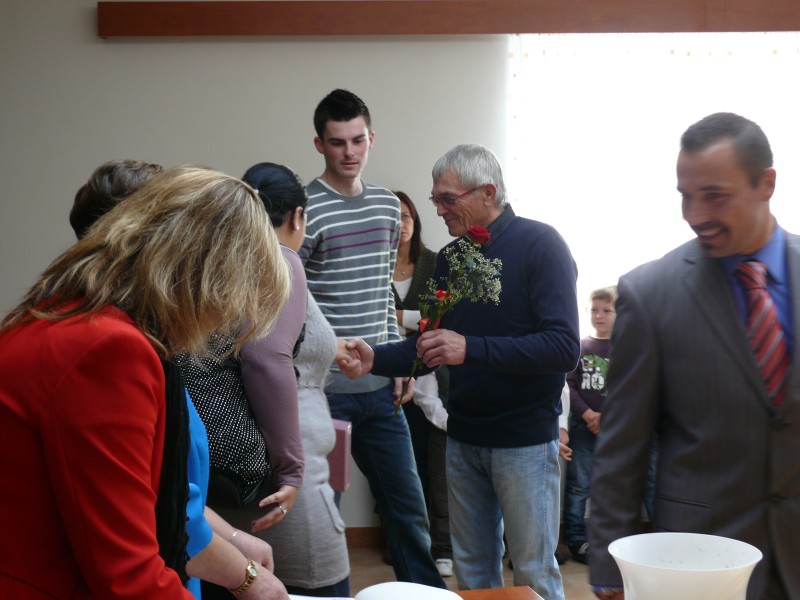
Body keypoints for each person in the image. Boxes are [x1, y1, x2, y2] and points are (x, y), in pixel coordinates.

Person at [0, 166, 290, 599]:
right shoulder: (107, 349)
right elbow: (129, 577)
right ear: (204, 278)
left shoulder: (73, 315)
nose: (222, 322)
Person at [340, 143, 580, 599]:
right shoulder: (451, 259)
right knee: (472, 573)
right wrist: (376, 359)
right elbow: (430, 344)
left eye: (448, 199)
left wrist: (470, 348)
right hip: (463, 438)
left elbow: (563, 348)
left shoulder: (541, 245)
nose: (438, 209)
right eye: (435, 199)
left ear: (488, 192)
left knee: (533, 571)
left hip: (525, 442)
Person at [588, 112, 800, 600]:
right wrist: (610, 570)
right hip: (698, 561)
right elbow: (622, 446)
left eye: (715, 196)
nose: (695, 214)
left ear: (766, 184)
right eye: (686, 195)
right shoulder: (650, 294)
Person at [298, 88, 445, 588]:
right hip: (325, 394)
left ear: (371, 139)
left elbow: (383, 291)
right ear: (320, 144)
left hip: (381, 391)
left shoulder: (386, 205)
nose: (349, 152)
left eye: (357, 140)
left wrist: (397, 362)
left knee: (409, 511)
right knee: (324, 517)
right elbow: (292, 298)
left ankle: (424, 596)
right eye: (337, 142)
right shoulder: (305, 210)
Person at [218, 162, 350, 597]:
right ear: (297, 217)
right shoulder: (280, 261)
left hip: (237, 475)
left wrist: (330, 346)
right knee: (319, 590)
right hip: (287, 483)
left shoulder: (226, 266)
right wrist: (291, 471)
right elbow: (265, 355)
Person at [392, 190, 453, 577]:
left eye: (406, 216)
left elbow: (440, 316)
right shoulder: (372, 264)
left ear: (415, 221)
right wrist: (413, 318)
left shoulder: (434, 263)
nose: (399, 224)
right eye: (393, 217)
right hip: (384, 375)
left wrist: (398, 316)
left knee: (435, 465)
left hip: (431, 375)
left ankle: (441, 545)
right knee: (398, 464)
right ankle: (401, 541)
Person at [562, 286, 616, 565]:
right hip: (583, 427)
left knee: (613, 486)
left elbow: (629, 386)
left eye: (607, 310)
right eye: (594, 310)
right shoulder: (580, 347)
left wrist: (608, 417)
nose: (599, 315)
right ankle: (576, 538)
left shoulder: (625, 348)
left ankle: (611, 540)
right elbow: (569, 385)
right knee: (579, 486)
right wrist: (588, 414)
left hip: (616, 429)